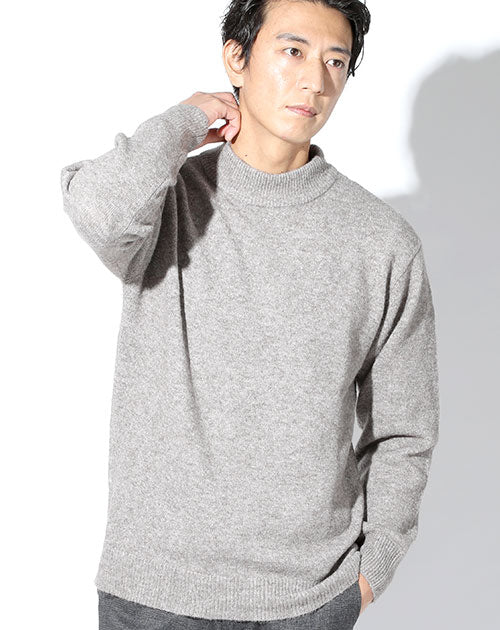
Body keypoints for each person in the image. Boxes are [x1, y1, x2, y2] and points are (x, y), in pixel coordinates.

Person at [60, 1, 440, 628]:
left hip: (309, 600)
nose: (315, 80)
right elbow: (97, 209)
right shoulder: (165, 202)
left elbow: (404, 429)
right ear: (236, 58)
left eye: (335, 61)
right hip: (154, 594)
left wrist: (372, 571)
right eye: (293, 51)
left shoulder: (382, 243)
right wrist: (186, 119)